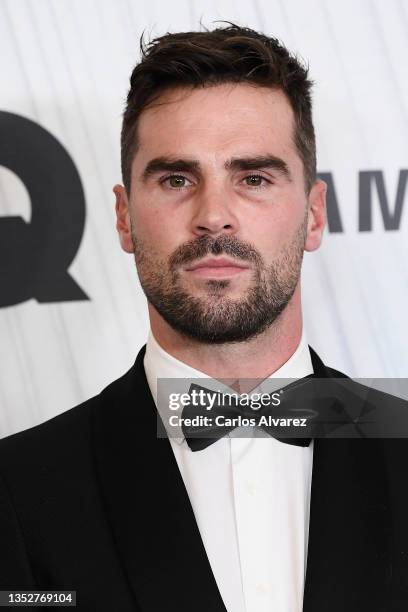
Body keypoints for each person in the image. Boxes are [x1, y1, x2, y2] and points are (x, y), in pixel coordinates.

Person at [0, 23, 407, 612]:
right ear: (124, 217)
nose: (214, 216)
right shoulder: (19, 491)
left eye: (254, 178)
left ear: (315, 214)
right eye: (176, 179)